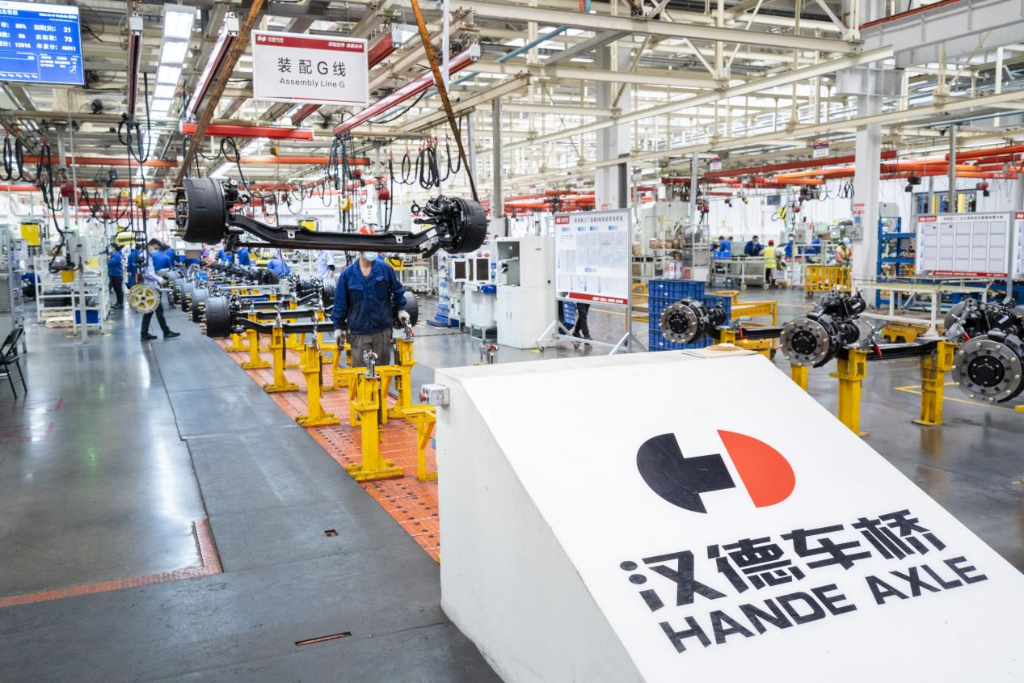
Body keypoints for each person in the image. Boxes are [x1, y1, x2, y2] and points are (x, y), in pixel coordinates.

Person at [332, 232, 409, 367]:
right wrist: (339, 327)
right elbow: (340, 303)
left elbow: (397, 290)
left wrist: (401, 310)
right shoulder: (347, 274)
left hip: (382, 330)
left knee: (382, 371)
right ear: (360, 249)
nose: (372, 250)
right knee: (362, 372)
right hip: (359, 332)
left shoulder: (385, 269)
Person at [139, 243, 179, 342]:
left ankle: (144, 333)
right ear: (150, 246)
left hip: (150, 287)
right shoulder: (146, 257)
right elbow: (149, 274)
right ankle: (166, 332)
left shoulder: (146, 256)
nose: (155, 249)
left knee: (149, 312)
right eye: (155, 247)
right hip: (152, 289)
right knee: (158, 311)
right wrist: (159, 279)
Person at [107, 243, 124, 309]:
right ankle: (118, 302)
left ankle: (120, 304)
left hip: (117, 275)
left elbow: (111, 262)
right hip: (113, 275)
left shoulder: (117, 255)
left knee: (119, 290)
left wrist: (106, 259)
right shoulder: (113, 254)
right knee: (116, 290)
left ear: (114, 248)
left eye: (111, 247)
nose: (110, 248)